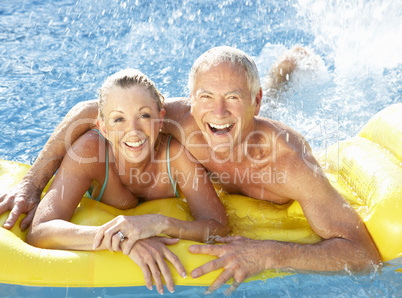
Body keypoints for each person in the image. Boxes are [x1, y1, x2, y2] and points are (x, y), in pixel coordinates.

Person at [1, 46, 381, 294]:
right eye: (207, 99)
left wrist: (267, 254)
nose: (217, 113)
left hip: (267, 148)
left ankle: (282, 75)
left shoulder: (288, 165)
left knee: (267, 117)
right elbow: (91, 111)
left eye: (233, 98)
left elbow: (365, 255)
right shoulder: (176, 122)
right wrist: (33, 184)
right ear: (191, 103)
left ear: (252, 102)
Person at [24, 68, 229, 295]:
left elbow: (219, 227)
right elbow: (40, 230)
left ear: (161, 119)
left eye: (144, 116)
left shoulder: (176, 155)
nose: (133, 131)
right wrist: (121, 240)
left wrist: (162, 223)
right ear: (103, 126)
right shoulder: (90, 152)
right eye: (118, 119)